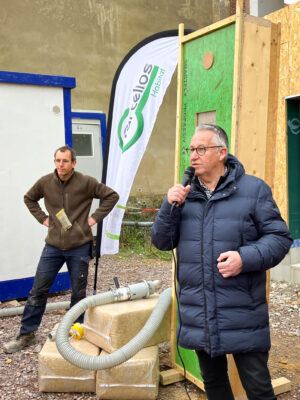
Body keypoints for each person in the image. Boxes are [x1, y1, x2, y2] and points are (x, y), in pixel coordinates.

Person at [151, 124, 292, 400]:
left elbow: (279, 238)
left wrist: (244, 258)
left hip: (242, 312)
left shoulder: (253, 190)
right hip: (200, 310)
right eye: (191, 149)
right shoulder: (184, 194)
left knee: (258, 388)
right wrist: (169, 206)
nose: (193, 156)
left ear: (221, 153)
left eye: (201, 149)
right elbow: (162, 242)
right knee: (213, 383)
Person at [4, 145, 119, 354]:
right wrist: (43, 219)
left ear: (73, 163)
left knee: (78, 293)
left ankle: (75, 332)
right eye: (57, 161)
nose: (61, 165)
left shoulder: (86, 182)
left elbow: (111, 196)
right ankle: (26, 335)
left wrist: (93, 219)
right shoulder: (45, 182)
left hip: (80, 246)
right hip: (53, 247)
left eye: (65, 161)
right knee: (38, 290)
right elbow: (29, 198)